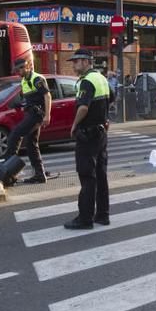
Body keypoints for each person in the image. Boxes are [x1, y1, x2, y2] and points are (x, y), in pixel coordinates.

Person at [63, 49, 110, 230]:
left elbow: (82, 108)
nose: (73, 65)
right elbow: (110, 98)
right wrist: (104, 118)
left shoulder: (87, 81)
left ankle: (85, 218)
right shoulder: (101, 78)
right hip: (101, 134)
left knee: (87, 176)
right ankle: (103, 215)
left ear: (85, 61)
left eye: (75, 62)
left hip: (88, 135)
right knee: (101, 175)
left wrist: (74, 125)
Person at [6, 57, 51, 183]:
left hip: (36, 115)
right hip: (30, 114)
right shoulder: (24, 81)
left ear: (29, 66)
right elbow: (25, 98)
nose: (20, 70)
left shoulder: (36, 78)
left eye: (22, 67)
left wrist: (47, 115)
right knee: (31, 144)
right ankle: (40, 174)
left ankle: (10, 172)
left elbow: (47, 95)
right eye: (18, 68)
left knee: (15, 134)